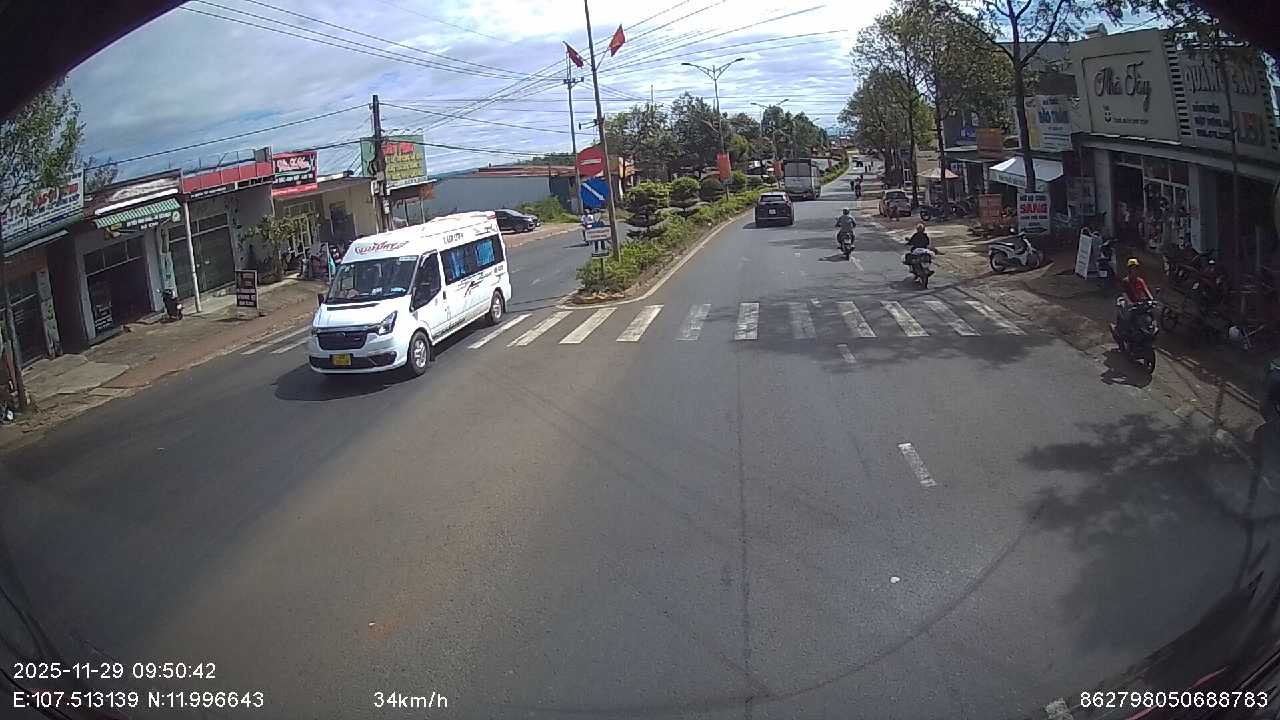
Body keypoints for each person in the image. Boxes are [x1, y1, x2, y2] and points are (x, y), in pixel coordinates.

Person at [1115, 257, 1154, 338]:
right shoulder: (1126, 281)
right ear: (1129, 270)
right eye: (1133, 269)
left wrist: (1151, 299)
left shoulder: (1140, 281)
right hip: (1130, 304)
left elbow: (1146, 290)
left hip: (1139, 303)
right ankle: (1124, 334)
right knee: (1129, 317)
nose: (1135, 271)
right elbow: (1124, 293)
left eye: (1136, 269)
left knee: (1149, 314)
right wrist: (1129, 302)